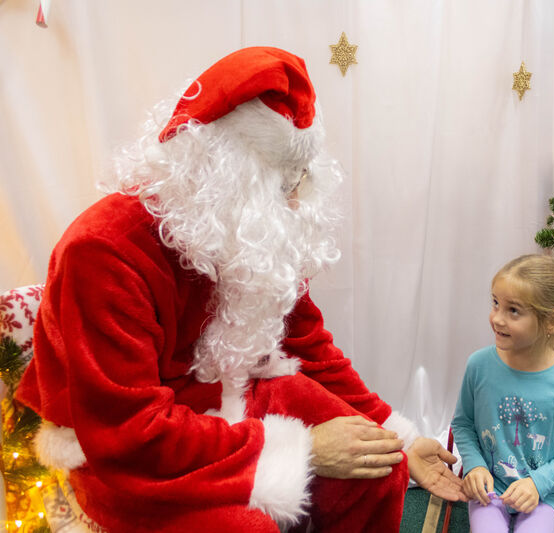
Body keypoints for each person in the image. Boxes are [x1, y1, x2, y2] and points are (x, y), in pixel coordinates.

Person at [15, 47, 463, 533]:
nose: (295, 199)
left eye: (300, 179)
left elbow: (307, 345)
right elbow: (129, 436)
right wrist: (304, 449)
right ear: (221, 178)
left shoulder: (251, 230)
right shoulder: (102, 251)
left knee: (376, 466)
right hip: (126, 449)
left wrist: (398, 435)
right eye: (279, 184)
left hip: (229, 397)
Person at [451, 254, 554, 533]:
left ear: (552, 321)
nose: (497, 319)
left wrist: (537, 484)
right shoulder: (478, 365)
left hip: (544, 496)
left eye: (513, 310)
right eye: (495, 303)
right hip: (488, 490)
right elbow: (463, 424)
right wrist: (476, 467)